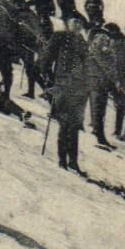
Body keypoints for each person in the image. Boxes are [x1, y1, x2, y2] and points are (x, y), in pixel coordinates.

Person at [41, 14, 92, 172]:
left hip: (79, 87)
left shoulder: (82, 41)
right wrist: (47, 75)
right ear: (67, 22)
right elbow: (47, 56)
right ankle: (62, 159)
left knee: (75, 124)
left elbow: (87, 64)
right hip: (62, 84)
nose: (77, 25)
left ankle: (73, 161)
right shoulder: (60, 36)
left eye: (80, 23)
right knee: (64, 123)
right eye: (74, 21)